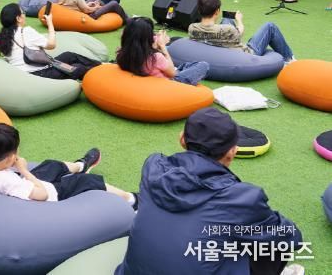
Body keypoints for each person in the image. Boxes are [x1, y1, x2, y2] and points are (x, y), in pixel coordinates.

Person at [116, 107, 303, 275]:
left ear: (182, 139)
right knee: (273, 243)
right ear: (232, 152)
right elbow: (291, 236)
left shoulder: (153, 168)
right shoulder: (241, 198)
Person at [0, 123, 136, 208]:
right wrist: (23, 170)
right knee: (86, 181)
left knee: (51, 165)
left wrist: (15, 167)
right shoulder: (7, 181)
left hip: (23, 180)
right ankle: (132, 199)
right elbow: (43, 195)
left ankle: (81, 166)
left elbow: (3, 170)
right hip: (52, 194)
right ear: (9, 158)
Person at [0, 3, 100, 81]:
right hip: (41, 74)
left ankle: (100, 66)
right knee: (79, 68)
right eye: (23, 13)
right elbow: (51, 45)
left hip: (29, 74)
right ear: (18, 18)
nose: (24, 15)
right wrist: (50, 23)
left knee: (68, 55)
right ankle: (100, 72)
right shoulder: (26, 31)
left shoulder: (3, 37)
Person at [188, 0, 295, 63]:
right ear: (217, 12)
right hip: (245, 55)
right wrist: (239, 20)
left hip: (219, 49)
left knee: (226, 19)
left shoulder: (192, 28)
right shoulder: (228, 30)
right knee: (270, 26)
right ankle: (289, 59)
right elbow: (240, 33)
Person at [116, 17, 209, 86]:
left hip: (149, 74)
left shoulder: (122, 53)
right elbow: (173, 73)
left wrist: (156, 45)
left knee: (186, 65)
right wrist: (163, 47)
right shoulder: (156, 58)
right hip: (169, 84)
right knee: (203, 65)